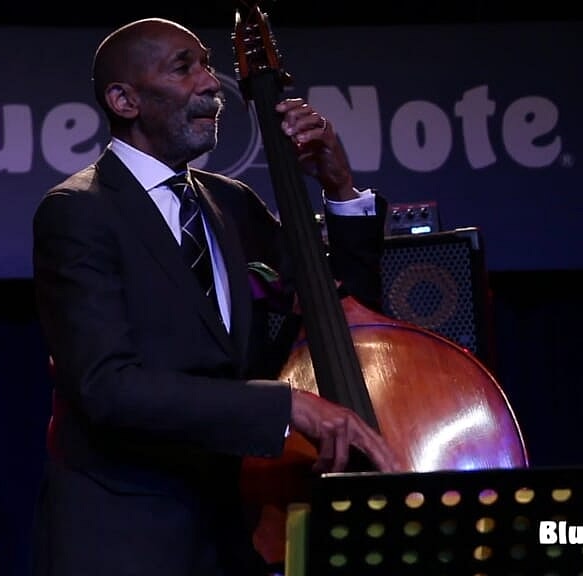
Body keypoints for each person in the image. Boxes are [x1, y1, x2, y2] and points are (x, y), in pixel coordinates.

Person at [30, 17, 404, 576]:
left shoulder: (231, 203)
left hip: (232, 535)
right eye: (184, 68)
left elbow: (342, 316)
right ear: (124, 100)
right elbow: (107, 387)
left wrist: (340, 190)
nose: (211, 83)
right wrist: (287, 405)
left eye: (207, 64)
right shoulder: (78, 210)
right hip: (124, 540)